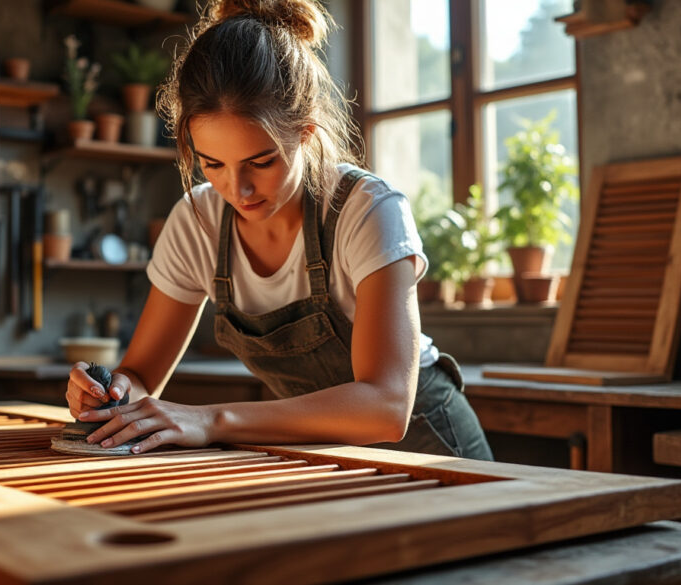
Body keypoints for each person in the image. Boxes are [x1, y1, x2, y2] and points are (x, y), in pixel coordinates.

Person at [65, 0, 493, 460]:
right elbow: (143, 376)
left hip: (434, 455)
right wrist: (113, 393)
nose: (238, 188)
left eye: (262, 161)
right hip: (323, 459)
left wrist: (211, 419)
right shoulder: (196, 223)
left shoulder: (367, 210)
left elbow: (386, 407)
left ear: (306, 133)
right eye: (212, 164)